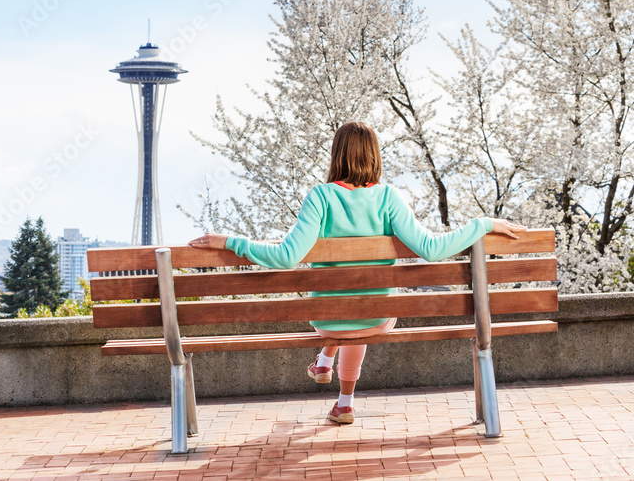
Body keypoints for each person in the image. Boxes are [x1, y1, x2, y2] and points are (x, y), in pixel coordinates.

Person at [188, 121, 526, 425]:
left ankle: (325, 362)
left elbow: (286, 256)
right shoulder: (389, 198)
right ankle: (344, 401)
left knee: (345, 311)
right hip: (375, 318)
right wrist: (482, 224)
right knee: (365, 308)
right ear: (375, 156)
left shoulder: (320, 196)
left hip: (327, 320)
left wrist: (230, 240)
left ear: (337, 155)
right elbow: (432, 249)